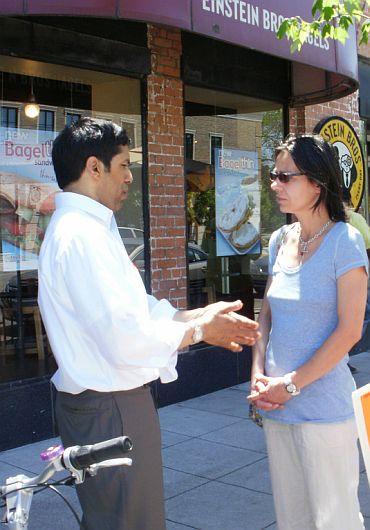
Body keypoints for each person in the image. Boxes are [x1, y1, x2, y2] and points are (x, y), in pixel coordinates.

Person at [38, 117, 261, 530]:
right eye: (123, 165)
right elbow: (123, 336)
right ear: (93, 168)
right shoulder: (80, 235)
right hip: (110, 407)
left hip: (106, 405)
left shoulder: (85, 229)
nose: (128, 177)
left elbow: (134, 309)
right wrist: (198, 330)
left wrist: (195, 315)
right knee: (131, 521)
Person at [248, 134, 368, 530]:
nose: (274, 184)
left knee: (335, 520)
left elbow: (349, 331)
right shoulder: (280, 240)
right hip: (278, 409)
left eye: (285, 176)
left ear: (317, 183)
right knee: (292, 518)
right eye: (273, 175)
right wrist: (258, 373)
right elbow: (267, 314)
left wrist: (291, 385)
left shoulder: (345, 242)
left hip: (324, 412)